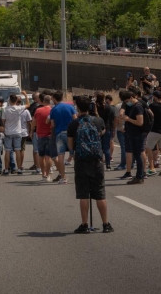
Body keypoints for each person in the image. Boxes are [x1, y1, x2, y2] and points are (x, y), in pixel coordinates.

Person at [67, 96, 113, 234]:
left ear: (78, 107)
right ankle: (106, 224)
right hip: (97, 161)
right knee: (100, 194)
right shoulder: (98, 120)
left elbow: (70, 142)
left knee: (83, 194)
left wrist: (72, 152)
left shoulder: (74, 123)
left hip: (81, 161)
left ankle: (84, 224)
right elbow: (103, 132)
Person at [48, 91, 76, 184]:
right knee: (74, 153)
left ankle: (63, 178)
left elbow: (52, 124)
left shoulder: (53, 109)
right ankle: (79, 175)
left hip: (59, 133)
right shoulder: (70, 107)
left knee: (60, 155)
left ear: (54, 99)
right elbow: (75, 119)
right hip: (70, 133)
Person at [120, 90, 146, 185]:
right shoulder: (135, 106)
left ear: (131, 97)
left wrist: (128, 119)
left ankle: (139, 176)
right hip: (134, 134)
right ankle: (140, 175)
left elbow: (140, 122)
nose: (127, 103)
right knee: (137, 155)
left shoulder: (137, 107)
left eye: (127, 101)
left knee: (138, 156)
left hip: (137, 135)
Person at [145, 91, 161, 177]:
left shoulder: (152, 106)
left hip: (154, 130)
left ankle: (152, 168)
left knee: (149, 149)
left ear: (155, 97)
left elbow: (149, 115)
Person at [1, 93, 25, 176]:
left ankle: (7, 169)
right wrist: (25, 95)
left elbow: (3, 121)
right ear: (16, 101)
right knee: (18, 150)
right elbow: (28, 105)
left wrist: (4, 129)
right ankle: (19, 168)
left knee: (7, 151)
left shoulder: (5, 110)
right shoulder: (19, 108)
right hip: (17, 132)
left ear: (9, 100)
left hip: (8, 132)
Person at [33, 95, 55, 180]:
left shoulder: (38, 110)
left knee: (41, 156)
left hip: (40, 135)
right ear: (50, 101)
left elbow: (34, 122)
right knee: (48, 156)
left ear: (43, 101)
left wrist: (32, 131)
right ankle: (48, 173)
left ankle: (43, 174)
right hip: (50, 134)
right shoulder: (52, 110)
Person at [95, 92, 115, 171]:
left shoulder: (95, 106)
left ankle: (98, 164)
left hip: (97, 128)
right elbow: (111, 119)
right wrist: (112, 128)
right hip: (106, 127)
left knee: (98, 147)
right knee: (106, 148)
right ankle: (108, 165)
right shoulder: (108, 107)